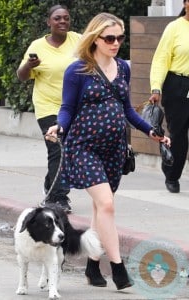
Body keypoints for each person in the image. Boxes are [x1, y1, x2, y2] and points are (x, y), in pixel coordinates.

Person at [46, 12, 170, 290]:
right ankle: (119, 270)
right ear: (95, 39)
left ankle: (92, 265)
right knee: (107, 205)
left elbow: (126, 109)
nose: (116, 43)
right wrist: (59, 127)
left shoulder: (123, 68)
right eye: (110, 38)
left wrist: (150, 131)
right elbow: (67, 108)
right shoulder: (77, 71)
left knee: (100, 209)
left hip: (113, 150)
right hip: (84, 147)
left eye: (120, 37)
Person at [17, 5, 81, 213]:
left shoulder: (78, 41)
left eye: (66, 18)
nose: (62, 21)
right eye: (57, 18)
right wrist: (29, 65)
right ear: (49, 22)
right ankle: (57, 198)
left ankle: (50, 185)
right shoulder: (38, 45)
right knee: (58, 149)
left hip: (72, 107)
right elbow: (22, 75)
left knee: (68, 151)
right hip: (48, 107)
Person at [149, 0, 189, 193]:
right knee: (179, 135)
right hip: (178, 85)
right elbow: (161, 59)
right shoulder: (174, 28)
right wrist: (156, 87)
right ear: (186, 3)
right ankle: (172, 175)